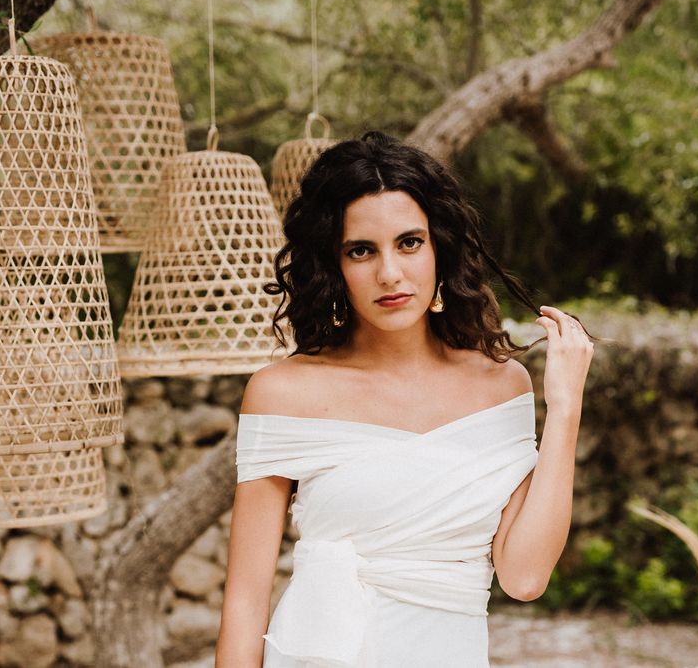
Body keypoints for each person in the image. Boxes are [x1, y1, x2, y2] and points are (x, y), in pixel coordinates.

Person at [215, 131, 595, 667]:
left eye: (409, 243)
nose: (389, 273)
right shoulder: (283, 393)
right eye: (361, 250)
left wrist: (566, 408)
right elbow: (246, 598)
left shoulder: (501, 386)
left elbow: (526, 577)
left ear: (439, 247)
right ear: (334, 266)